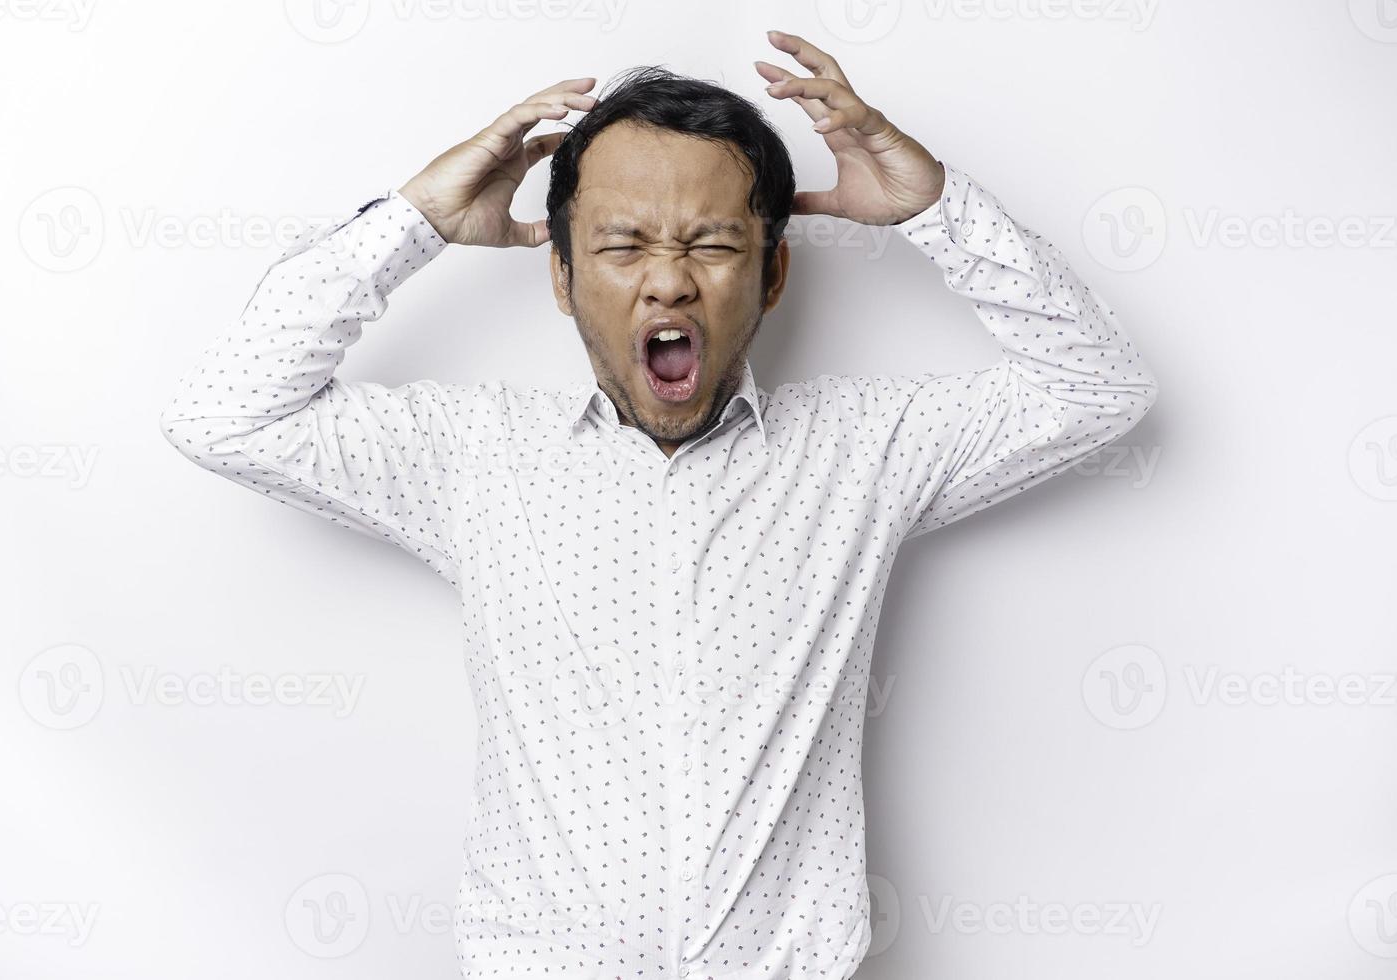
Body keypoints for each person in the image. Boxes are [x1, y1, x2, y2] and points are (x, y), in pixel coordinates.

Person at [160, 30, 1157, 980]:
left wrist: (934, 207)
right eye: (624, 245)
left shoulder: (862, 451)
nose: (669, 283)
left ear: (771, 273)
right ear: (561, 274)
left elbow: (1100, 388)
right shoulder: (474, 458)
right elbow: (223, 416)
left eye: (714, 245)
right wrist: (415, 221)